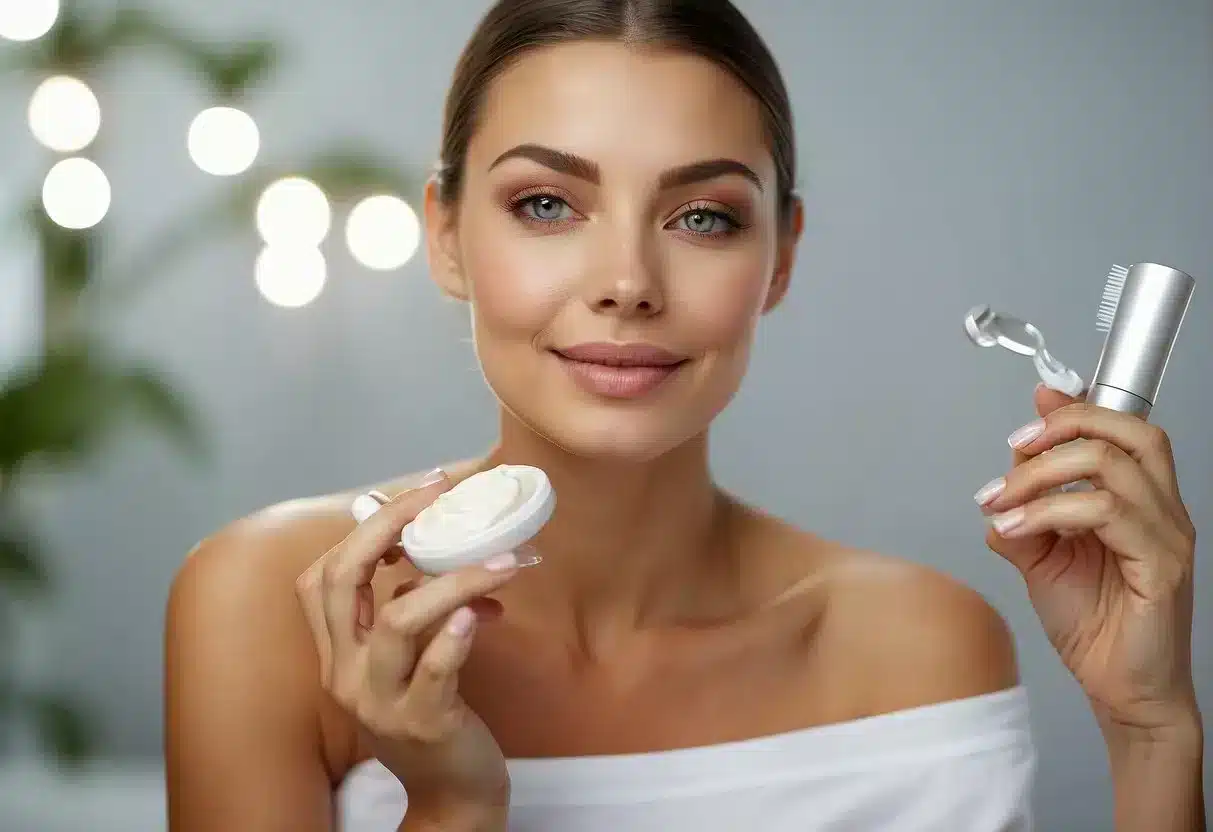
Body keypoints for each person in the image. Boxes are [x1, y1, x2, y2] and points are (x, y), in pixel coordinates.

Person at [164, 1, 1206, 829]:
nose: (625, 281)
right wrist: (450, 804)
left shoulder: (920, 648)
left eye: (702, 216)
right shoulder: (274, 610)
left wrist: (1150, 730)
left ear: (780, 258)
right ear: (445, 235)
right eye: (545, 204)